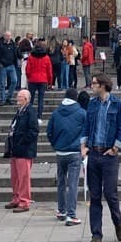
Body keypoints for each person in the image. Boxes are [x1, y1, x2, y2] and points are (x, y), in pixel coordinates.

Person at [81, 73, 121, 242]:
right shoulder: (91, 104)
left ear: (103, 85)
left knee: (110, 193)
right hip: (93, 153)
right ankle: (96, 235)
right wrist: (83, 146)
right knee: (94, 196)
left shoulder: (117, 104)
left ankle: (118, 221)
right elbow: (86, 126)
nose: (91, 86)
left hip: (109, 155)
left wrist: (115, 148)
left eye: (94, 83)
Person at [46, 87, 87, 225]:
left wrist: (56, 145)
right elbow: (86, 132)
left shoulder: (56, 113)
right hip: (74, 151)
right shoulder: (81, 113)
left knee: (61, 182)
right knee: (73, 183)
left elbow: (49, 131)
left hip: (60, 152)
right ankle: (71, 214)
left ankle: (61, 210)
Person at [7, 88, 39, 212]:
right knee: (15, 176)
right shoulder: (20, 111)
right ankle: (16, 197)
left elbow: (33, 131)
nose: (17, 99)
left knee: (23, 177)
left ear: (25, 99)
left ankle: (24, 201)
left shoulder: (30, 111)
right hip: (15, 149)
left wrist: (22, 141)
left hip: (24, 150)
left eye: (19, 97)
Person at [26, 38, 53, 122]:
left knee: (31, 99)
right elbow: (49, 71)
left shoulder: (31, 57)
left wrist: (29, 77)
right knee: (41, 99)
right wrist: (50, 82)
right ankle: (39, 117)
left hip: (33, 79)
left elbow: (28, 69)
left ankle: (29, 115)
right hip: (43, 80)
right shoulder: (46, 57)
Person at [0, 30, 18, 105]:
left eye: (9, 36)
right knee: (2, 83)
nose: (8, 37)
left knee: (14, 81)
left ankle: (8, 97)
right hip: (3, 66)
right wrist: (0, 63)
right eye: (7, 36)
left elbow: (16, 53)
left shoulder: (13, 44)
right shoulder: (0, 44)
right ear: (4, 36)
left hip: (11, 65)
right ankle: (3, 99)